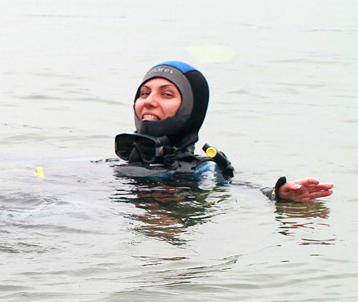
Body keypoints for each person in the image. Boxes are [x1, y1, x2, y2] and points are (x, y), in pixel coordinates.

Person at [113, 61, 333, 202]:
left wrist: (277, 194)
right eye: (143, 93)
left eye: (167, 94)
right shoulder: (112, 164)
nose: (149, 101)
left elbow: (241, 189)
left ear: (191, 109)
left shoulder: (201, 170)